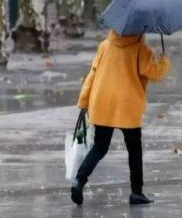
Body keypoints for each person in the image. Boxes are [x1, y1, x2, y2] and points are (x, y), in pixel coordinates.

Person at [71, 30, 171, 206]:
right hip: (127, 103)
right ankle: (136, 193)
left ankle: (79, 180)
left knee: (100, 147)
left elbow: (92, 75)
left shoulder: (105, 46)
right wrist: (163, 60)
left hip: (103, 101)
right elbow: (154, 74)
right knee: (134, 151)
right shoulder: (140, 48)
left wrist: (84, 101)